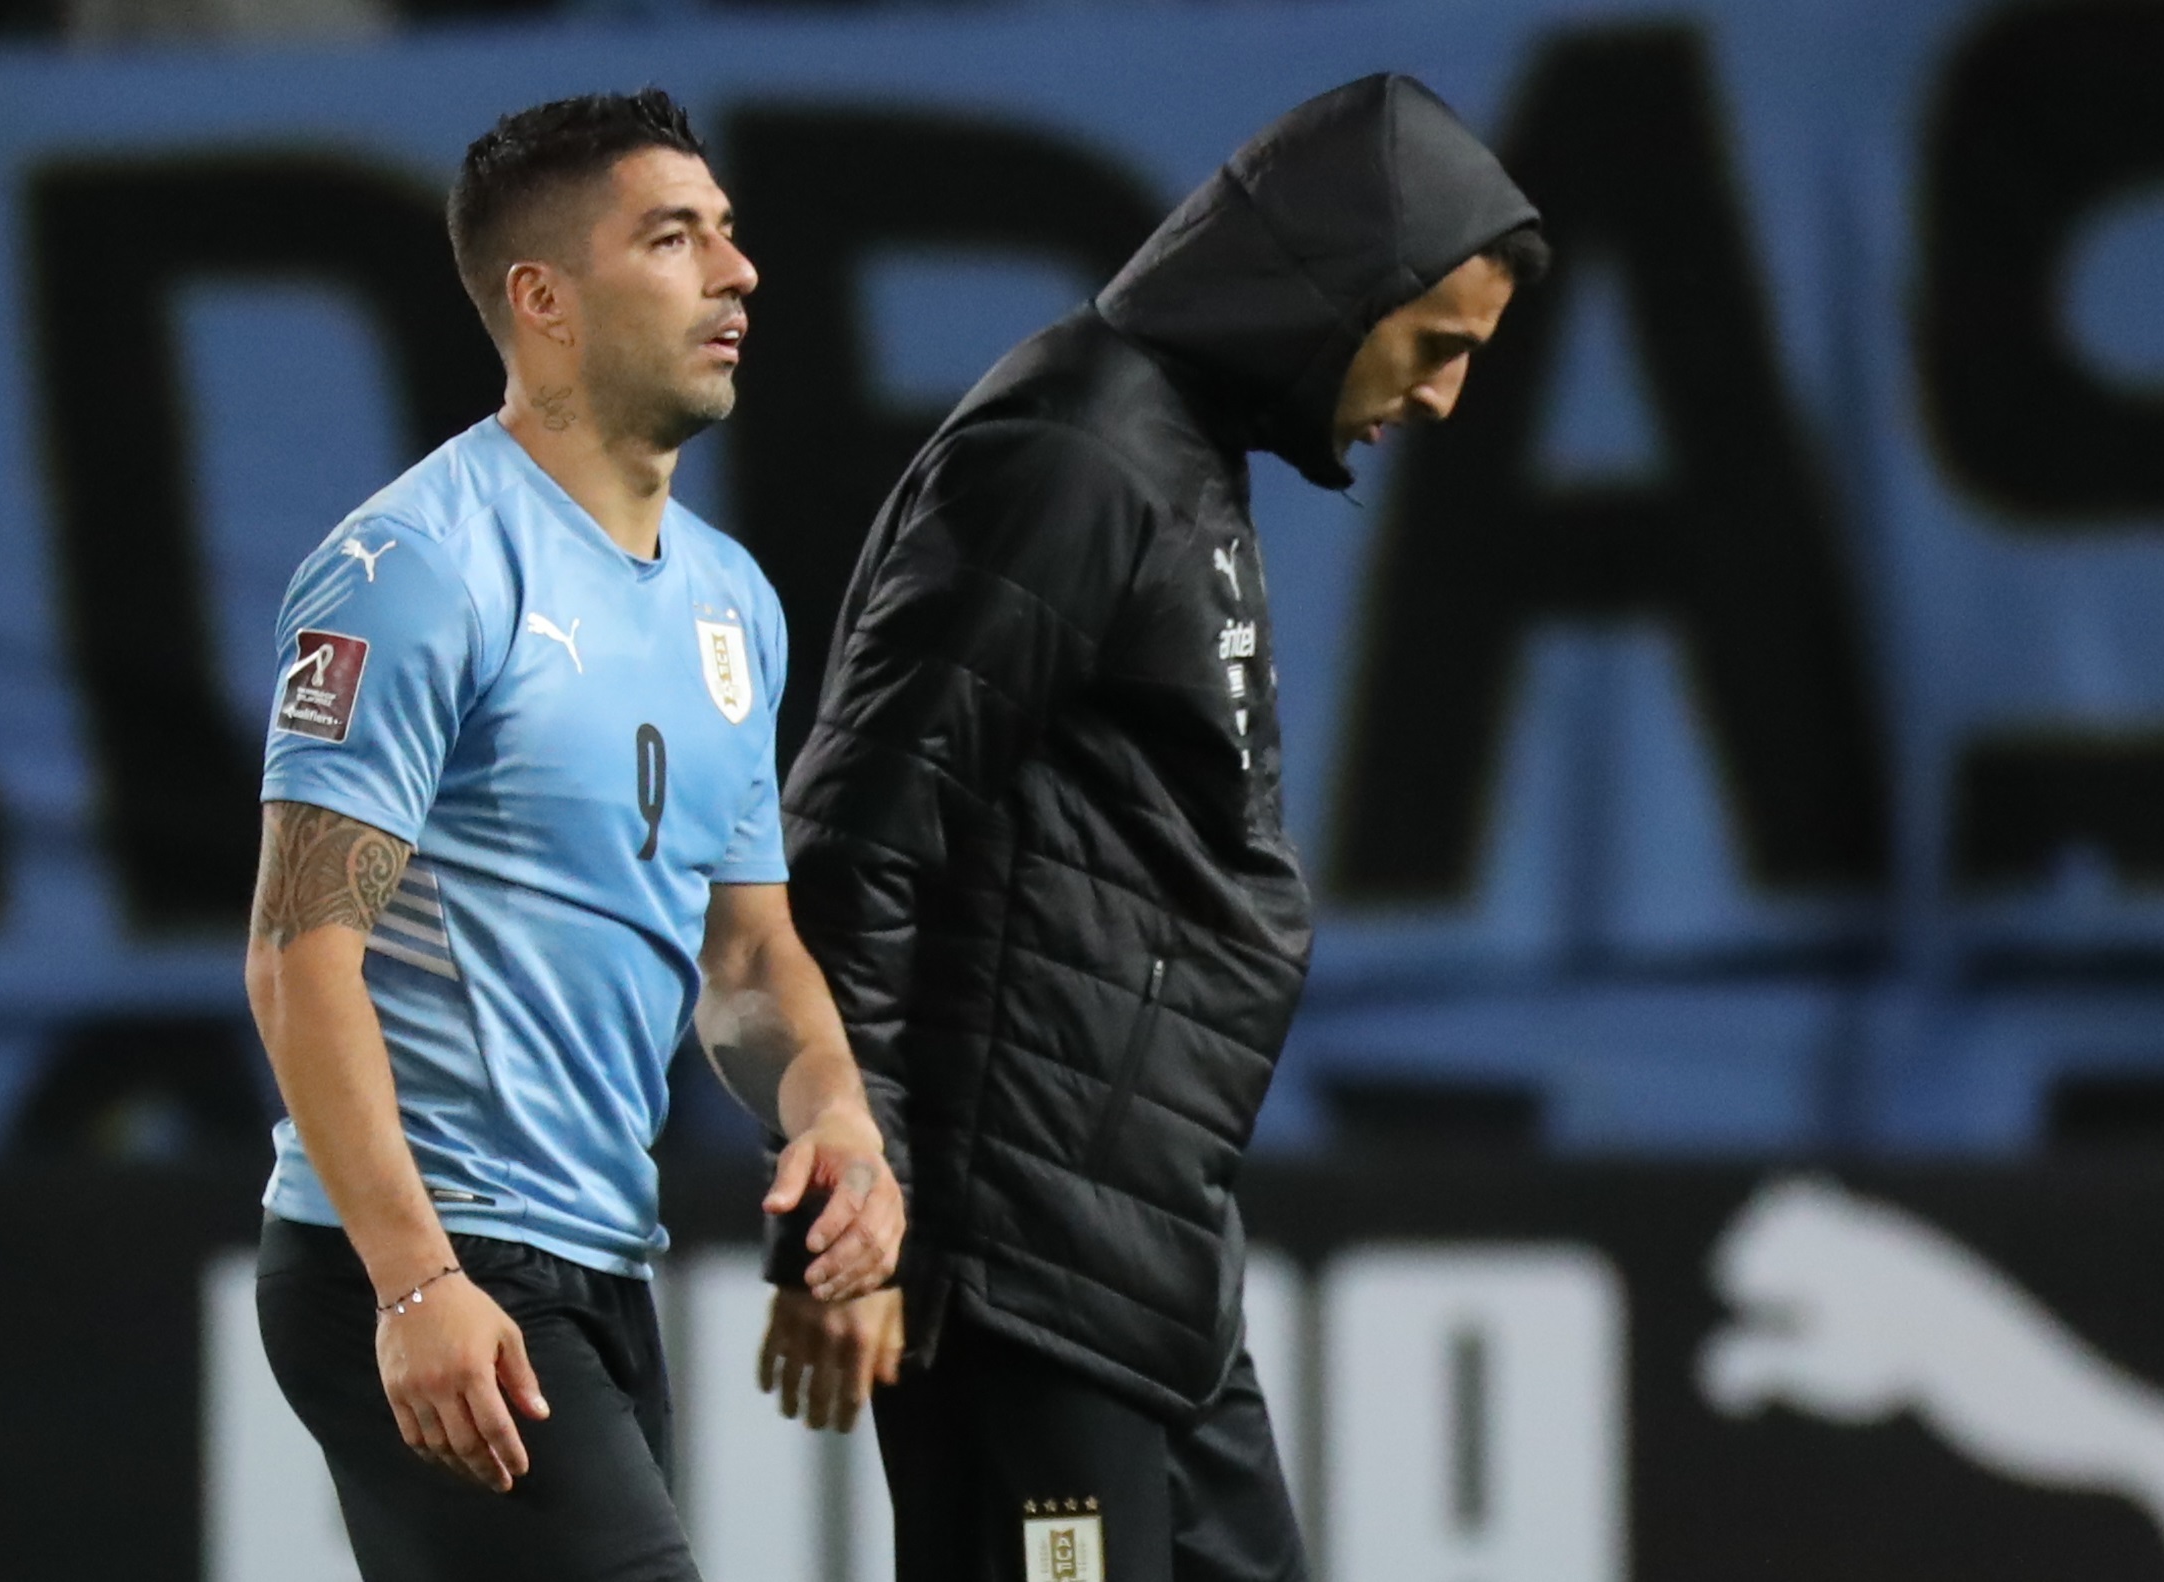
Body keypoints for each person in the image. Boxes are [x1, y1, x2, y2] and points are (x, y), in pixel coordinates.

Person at [761, 73, 1545, 1582]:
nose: (1445, 397)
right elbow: (858, 838)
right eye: (1436, 346)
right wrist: (845, 1213)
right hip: (1020, 1268)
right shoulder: (1077, 450)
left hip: (1136, 1262)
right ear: (1338, 288)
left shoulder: (1173, 453)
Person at [244, 89, 903, 1582]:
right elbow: (299, 955)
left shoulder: (732, 601)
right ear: (541, 298)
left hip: (601, 1259)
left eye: (730, 235)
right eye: (674, 238)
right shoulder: (412, 571)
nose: (739, 273)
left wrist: (835, 1116)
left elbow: (744, 953)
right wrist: (413, 1283)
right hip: (428, 1254)